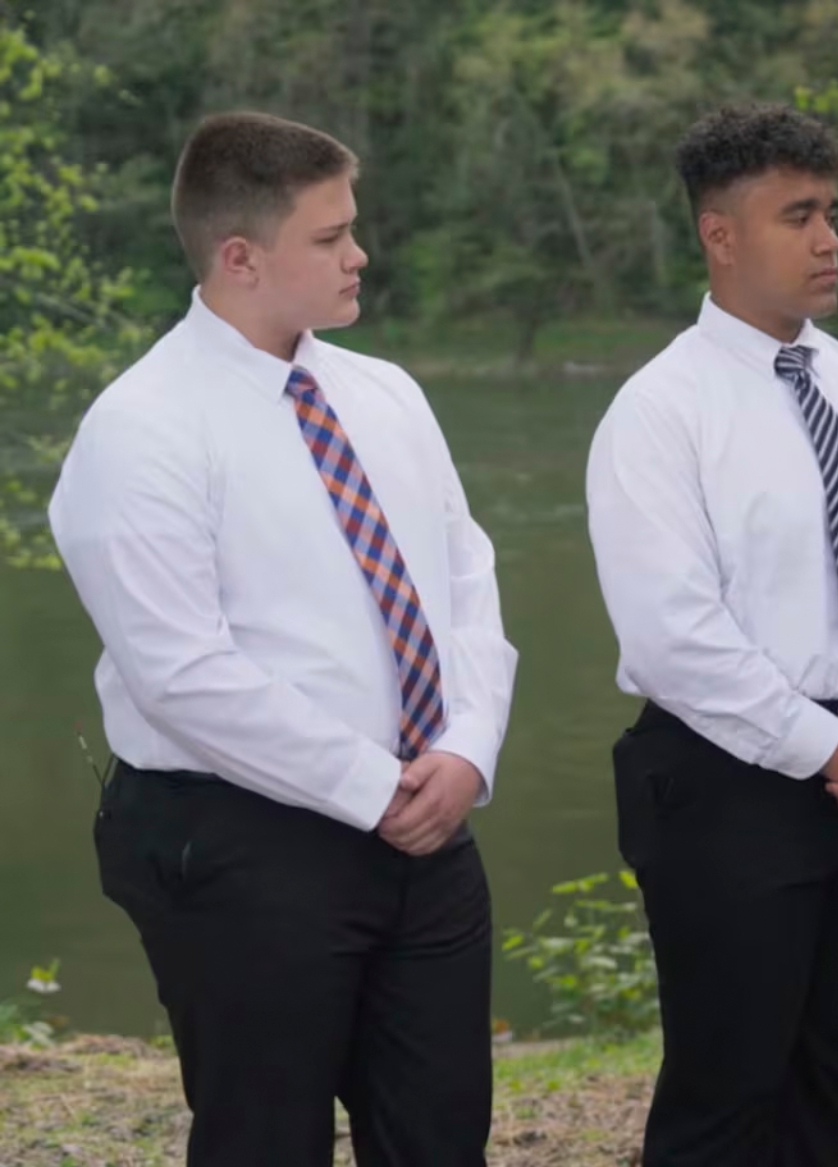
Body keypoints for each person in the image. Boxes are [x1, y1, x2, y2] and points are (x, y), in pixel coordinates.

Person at [47, 111, 517, 1166]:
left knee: (442, 1137)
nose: (360, 255)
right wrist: (370, 785)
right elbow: (180, 672)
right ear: (240, 258)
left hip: (429, 825)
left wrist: (467, 746)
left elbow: (466, 578)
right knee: (264, 1140)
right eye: (330, 236)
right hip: (241, 841)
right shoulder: (141, 428)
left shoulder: (386, 394)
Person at [585, 103, 838, 1167]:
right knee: (723, 1100)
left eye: (831, 212)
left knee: (829, 1083)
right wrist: (829, 749)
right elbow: (673, 636)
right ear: (720, 235)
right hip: (728, 781)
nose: (829, 239)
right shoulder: (658, 412)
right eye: (797, 216)